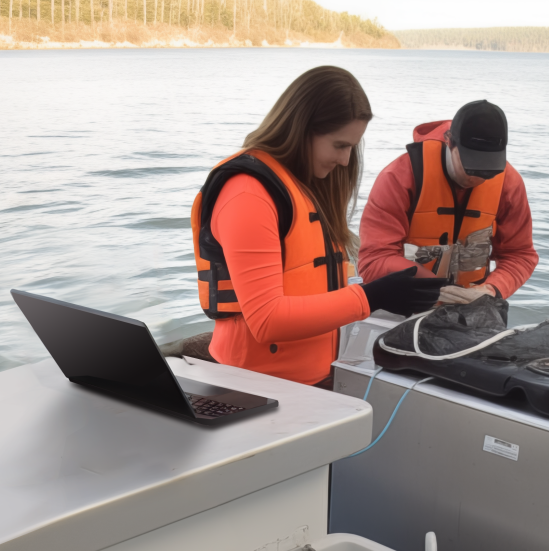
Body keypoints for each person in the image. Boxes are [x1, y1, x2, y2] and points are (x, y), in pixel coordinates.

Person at [190, 66, 443, 386]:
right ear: (301, 129)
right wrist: (371, 297)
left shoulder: (304, 185)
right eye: (339, 145)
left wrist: (393, 287)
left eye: (352, 147)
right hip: (251, 387)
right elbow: (266, 320)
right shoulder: (247, 193)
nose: (346, 161)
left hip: (312, 384)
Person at [358, 100, 538, 305]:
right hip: (403, 306)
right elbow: (372, 261)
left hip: (473, 310)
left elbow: (520, 255)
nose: (478, 177)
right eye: (471, 166)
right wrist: (431, 285)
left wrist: (491, 290)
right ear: (449, 141)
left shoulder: (509, 182)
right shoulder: (398, 177)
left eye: (488, 171)